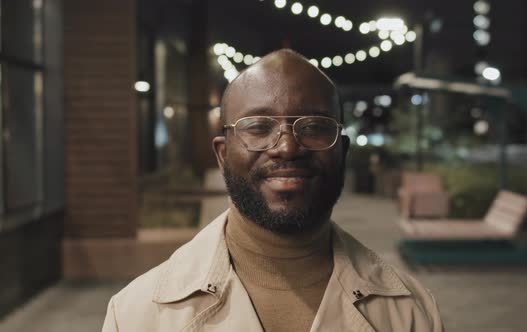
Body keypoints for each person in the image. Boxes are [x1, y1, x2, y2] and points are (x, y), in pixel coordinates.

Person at [102, 49, 443, 332]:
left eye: (313, 126)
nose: (287, 148)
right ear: (222, 154)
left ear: (343, 150)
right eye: (259, 127)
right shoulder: (136, 316)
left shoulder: (412, 313)